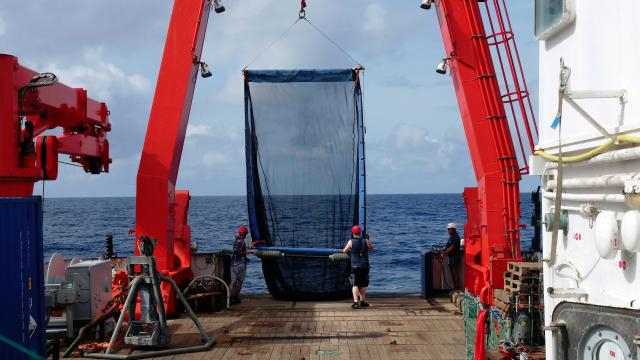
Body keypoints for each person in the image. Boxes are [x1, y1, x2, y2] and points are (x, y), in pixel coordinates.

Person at [343, 225, 374, 309]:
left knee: (355, 284)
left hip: (355, 265)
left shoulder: (351, 241)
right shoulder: (366, 241)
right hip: (365, 265)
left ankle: (356, 303)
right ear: (360, 233)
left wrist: (352, 252)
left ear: (353, 233)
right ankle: (363, 302)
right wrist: (367, 241)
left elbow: (344, 251)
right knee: (363, 284)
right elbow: (371, 248)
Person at [230, 225, 250, 304]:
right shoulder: (241, 242)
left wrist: (246, 257)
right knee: (240, 281)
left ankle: (229, 298)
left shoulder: (236, 241)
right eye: (245, 234)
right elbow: (237, 252)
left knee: (233, 282)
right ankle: (236, 297)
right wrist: (247, 252)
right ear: (244, 234)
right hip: (240, 264)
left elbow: (235, 252)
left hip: (232, 265)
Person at [440, 222, 461, 289]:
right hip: (450, 256)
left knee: (455, 271)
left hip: (455, 256)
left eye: (449, 229)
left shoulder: (456, 237)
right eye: (448, 229)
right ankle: (454, 286)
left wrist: (445, 252)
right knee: (451, 271)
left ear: (453, 229)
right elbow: (446, 246)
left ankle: (457, 286)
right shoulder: (450, 237)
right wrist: (440, 250)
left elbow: (452, 247)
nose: (448, 231)